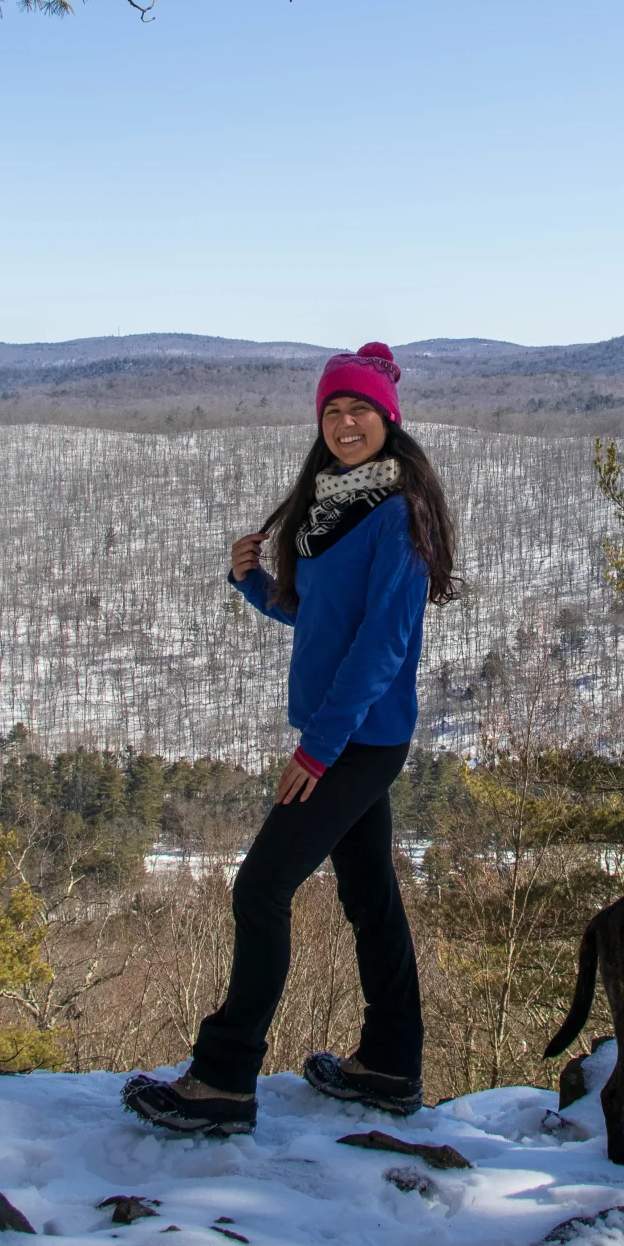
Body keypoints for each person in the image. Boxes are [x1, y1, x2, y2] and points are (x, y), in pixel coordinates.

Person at [123, 342, 457, 1136]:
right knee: (369, 896)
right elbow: (323, 621)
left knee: (261, 889)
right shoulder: (336, 506)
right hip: (343, 733)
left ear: (389, 421)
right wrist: (254, 587)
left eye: (360, 411)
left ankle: (224, 1080)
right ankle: (390, 1065)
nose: (345, 423)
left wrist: (318, 750)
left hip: (356, 740)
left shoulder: (399, 516)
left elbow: (381, 648)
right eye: (333, 411)